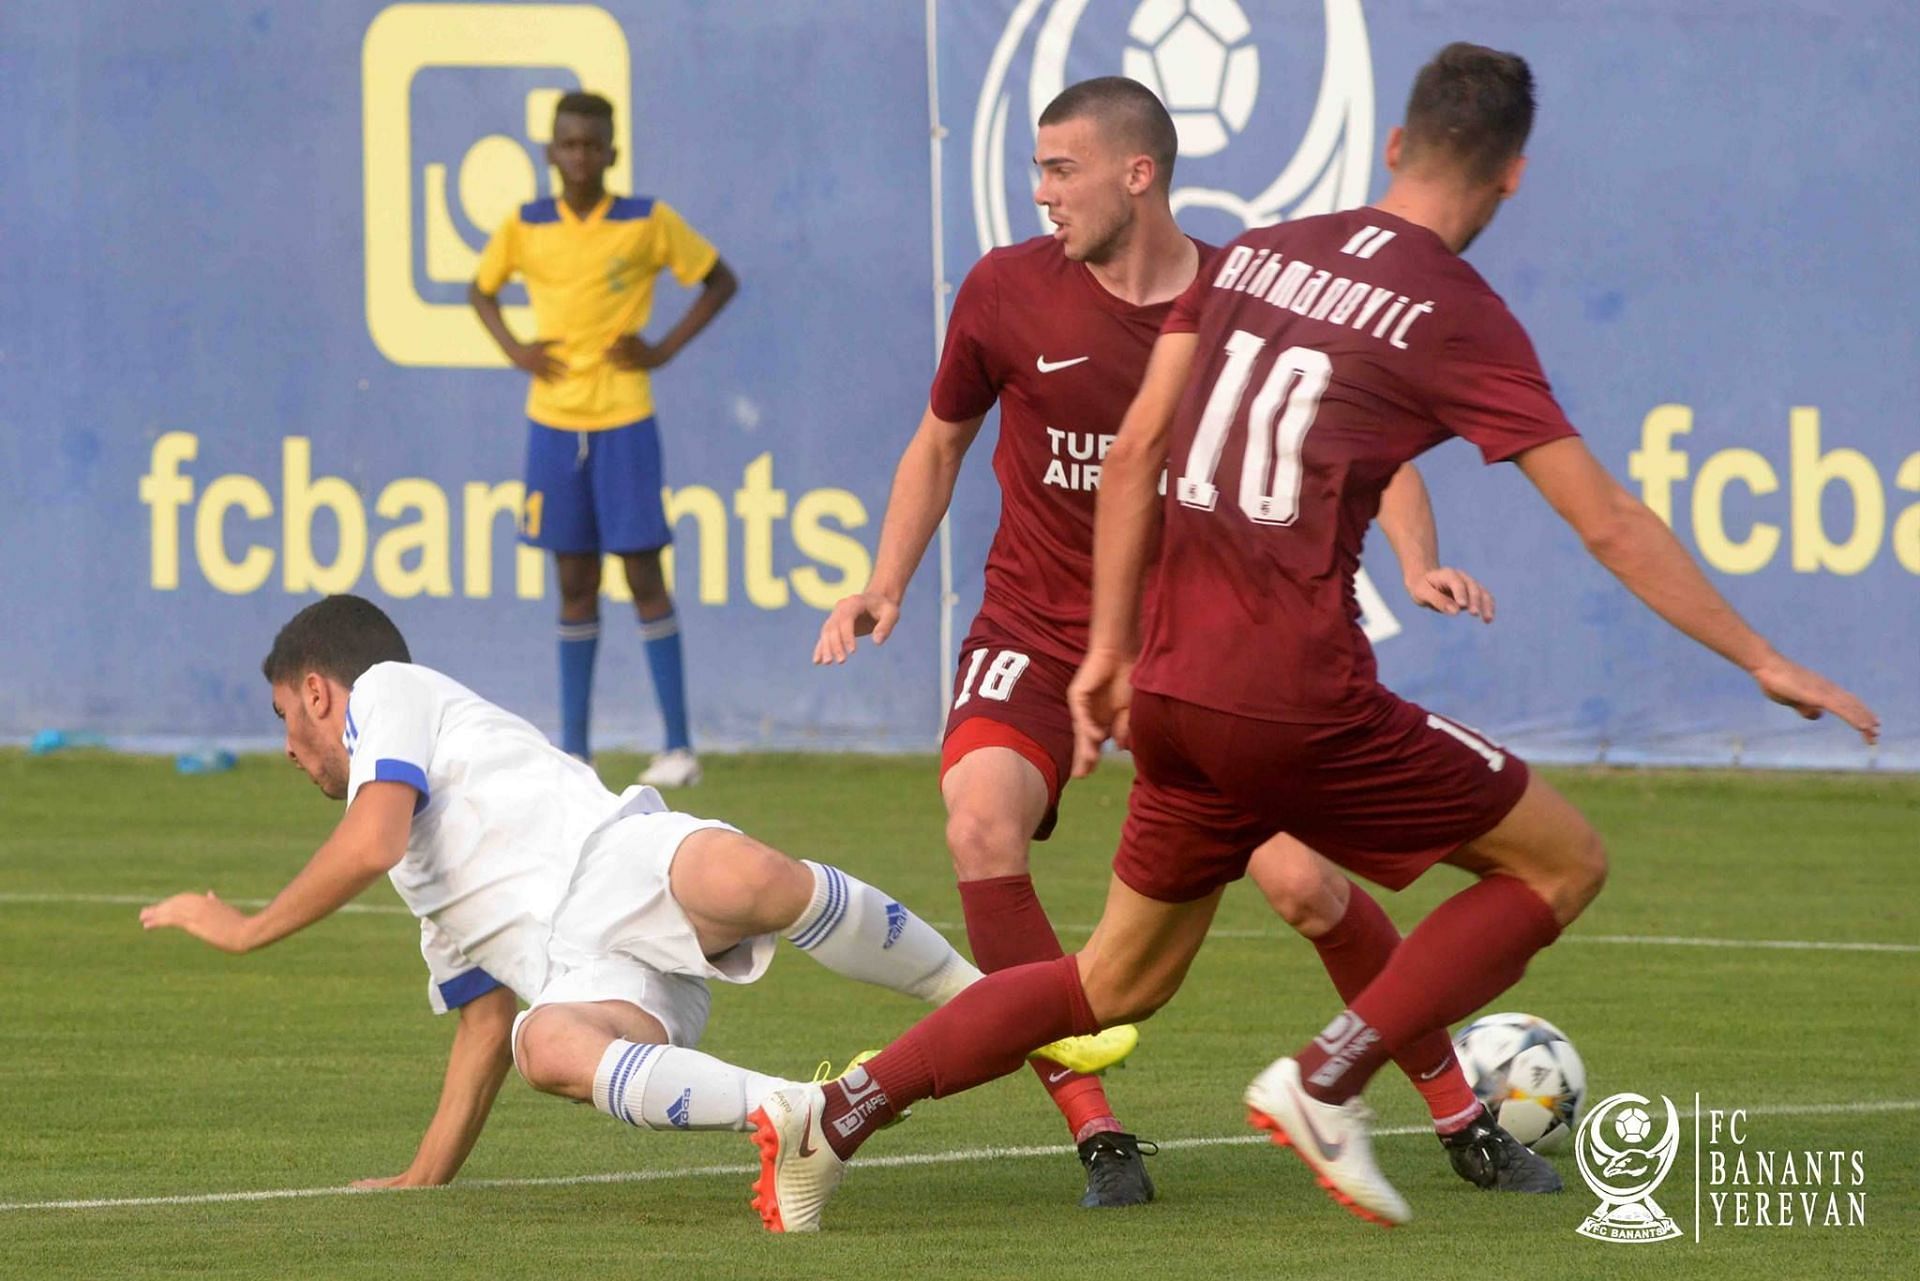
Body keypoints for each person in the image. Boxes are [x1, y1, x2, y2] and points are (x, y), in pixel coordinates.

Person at [746, 44, 1880, 1233]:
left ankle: (838, 1112)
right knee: (1562, 862)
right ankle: (1329, 1077)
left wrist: (1112, 653)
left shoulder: (1271, 254)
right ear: (1509, 182)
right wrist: (1760, 658)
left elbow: (1137, 453)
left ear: (1395, 147)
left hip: (1170, 687)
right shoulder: (1454, 310)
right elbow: (1606, 519)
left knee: (1112, 979)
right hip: (1291, 688)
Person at [813, 75, 1529, 1211]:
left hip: (1193, 651)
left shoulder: (1245, 290)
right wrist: (882, 582)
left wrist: (1412, 559)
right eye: (1037, 169)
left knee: (1303, 887)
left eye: (1061, 170)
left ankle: (1459, 1115)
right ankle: (1096, 1130)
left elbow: (1351, 443)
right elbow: (939, 443)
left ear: (1137, 174)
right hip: (1039, 633)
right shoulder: (1003, 291)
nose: (1039, 192)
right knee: (980, 818)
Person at [138, 595, 1119, 1189]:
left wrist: (246, 927)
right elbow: (479, 1030)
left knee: (752, 877)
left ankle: (990, 1005)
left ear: (319, 690)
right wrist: (418, 1182)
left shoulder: (391, 691)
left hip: (618, 853)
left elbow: (369, 833)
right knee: (537, 1043)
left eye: (283, 716)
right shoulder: (420, 876)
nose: (287, 747)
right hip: (591, 974)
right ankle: (811, 1111)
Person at [470, 90, 738, 788]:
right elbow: (481, 291)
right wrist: (518, 351)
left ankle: (678, 747)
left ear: (612, 153)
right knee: (573, 582)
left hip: (624, 417)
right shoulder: (526, 226)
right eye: (569, 144)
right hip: (555, 423)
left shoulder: (645, 221)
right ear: (550, 153)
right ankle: (576, 750)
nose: (580, 156)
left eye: (593, 145)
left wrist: (664, 349)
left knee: (644, 573)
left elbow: (718, 280)